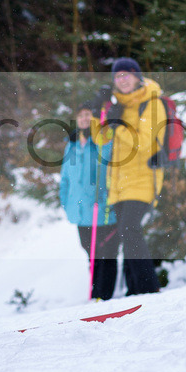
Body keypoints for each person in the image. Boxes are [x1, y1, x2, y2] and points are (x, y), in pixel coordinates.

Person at [91, 58, 163, 295]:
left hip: (144, 179)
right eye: (117, 76)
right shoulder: (118, 106)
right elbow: (100, 139)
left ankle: (148, 288)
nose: (122, 80)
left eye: (126, 75)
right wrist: (98, 112)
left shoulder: (151, 103)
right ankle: (135, 289)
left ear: (137, 77)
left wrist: (117, 123)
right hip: (119, 183)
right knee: (125, 233)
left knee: (129, 229)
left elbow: (142, 144)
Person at [59, 103, 121, 301]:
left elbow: (109, 157)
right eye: (81, 115)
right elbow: (65, 177)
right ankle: (96, 295)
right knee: (91, 255)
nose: (84, 119)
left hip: (102, 209)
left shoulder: (102, 140)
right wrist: (64, 200)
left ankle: (105, 296)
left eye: (88, 115)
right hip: (79, 212)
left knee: (106, 254)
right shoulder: (72, 145)